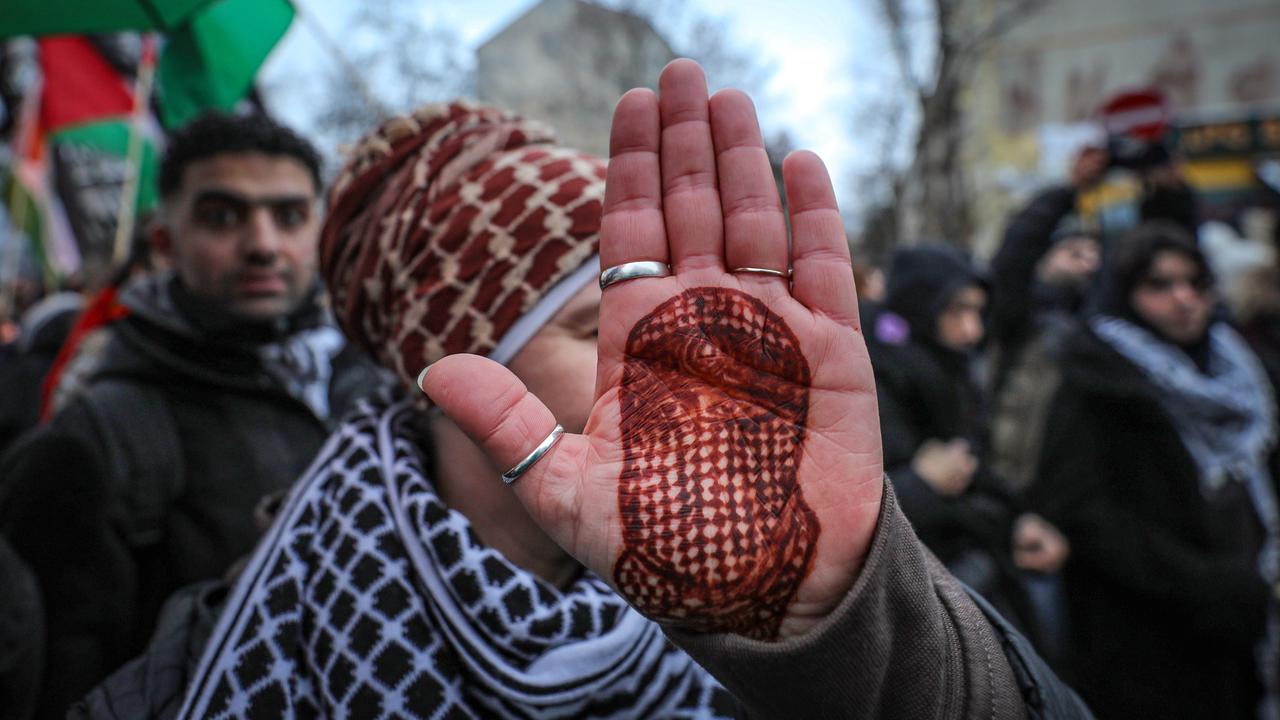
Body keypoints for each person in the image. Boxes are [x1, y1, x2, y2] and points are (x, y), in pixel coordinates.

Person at [178, 62, 1089, 719]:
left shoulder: (722, 566)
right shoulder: (249, 635)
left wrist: (851, 630)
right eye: (594, 331)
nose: (696, 373)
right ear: (457, 376)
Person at [0, 112, 387, 719]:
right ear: (164, 242)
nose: (263, 244)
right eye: (222, 217)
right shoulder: (102, 436)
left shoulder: (381, 386)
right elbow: (69, 684)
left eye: (289, 216)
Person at [1029, 220, 1279, 718]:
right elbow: (1084, 511)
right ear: (1125, 293)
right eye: (1159, 285)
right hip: (1147, 646)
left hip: (1242, 634)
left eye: (1196, 283)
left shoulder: (1238, 368)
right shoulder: (1095, 377)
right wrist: (1211, 585)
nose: (1184, 299)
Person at [868, 244, 1069, 646]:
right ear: (921, 306)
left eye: (977, 312)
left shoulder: (950, 371)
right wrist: (920, 485)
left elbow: (973, 465)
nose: (972, 330)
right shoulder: (878, 378)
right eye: (956, 311)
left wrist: (1015, 520)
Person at [987, 149, 1105, 493]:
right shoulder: (1019, 313)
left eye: (1093, 253)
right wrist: (1067, 191)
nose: (1088, 263)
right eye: (1074, 253)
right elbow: (1016, 254)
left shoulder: (1098, 315)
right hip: (1024, 481)